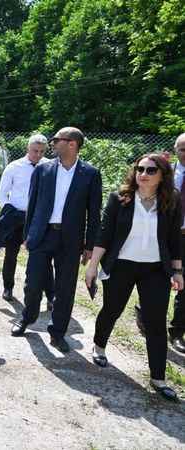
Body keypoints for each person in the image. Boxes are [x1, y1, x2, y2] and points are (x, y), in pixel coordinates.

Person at [85, 154, 182, 402]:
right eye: (140, 169)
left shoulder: (172, 200)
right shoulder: (120, 199)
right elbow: (104, 234)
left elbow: (175, 238)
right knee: (112, 309)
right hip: (122, 266)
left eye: (150, 170)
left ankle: (158, 377)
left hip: (155, 270)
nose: (143, 174)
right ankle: (99, 346)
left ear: (162, 175)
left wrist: (178, 271)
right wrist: (92, 266)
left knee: (156, 322)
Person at [11, 127, 102, 353]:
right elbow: (32, 205)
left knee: (65, 288)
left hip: (70, 240)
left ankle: (58, 332)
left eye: (56, 140)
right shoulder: (43, 170)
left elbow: (94, 213)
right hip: (42, 235)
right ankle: (27, 317)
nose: (52, 143)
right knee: (33, 282)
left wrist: (89, 246)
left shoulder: (90, 174)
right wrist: (28, 236)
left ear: (72, 144)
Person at [0, 134, 55, 306]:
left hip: (39, 219)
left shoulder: (50, 167)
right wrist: (9, 211)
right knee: (11, 254)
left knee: (43, 257)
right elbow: (1, 193)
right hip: (17, 216)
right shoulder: (14, 167)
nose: (38, 154)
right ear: (28, 149)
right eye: (35, 151)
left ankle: (51, 295)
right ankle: (8, 287)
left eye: (42, 151)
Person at [166, 133, 185, 354]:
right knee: (155, 275)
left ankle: (177, 332)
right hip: (165, 235)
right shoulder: (163, 172)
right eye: (182, 149)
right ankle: (145, 312)